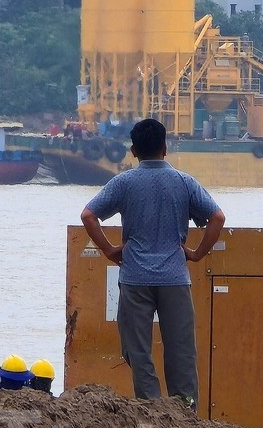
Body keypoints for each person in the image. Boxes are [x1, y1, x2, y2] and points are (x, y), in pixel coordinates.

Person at [80, 118, 225, 410]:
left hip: (135, 278)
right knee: (181, 351)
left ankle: (152, 408)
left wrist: (109, 250)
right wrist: (196, 254)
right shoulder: (184, 182)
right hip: (175, 278)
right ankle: (184, 410)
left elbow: (88, 215)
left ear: (133, 151)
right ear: (165, 148)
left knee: (137, 349)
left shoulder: (123, 182)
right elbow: (217, 218)